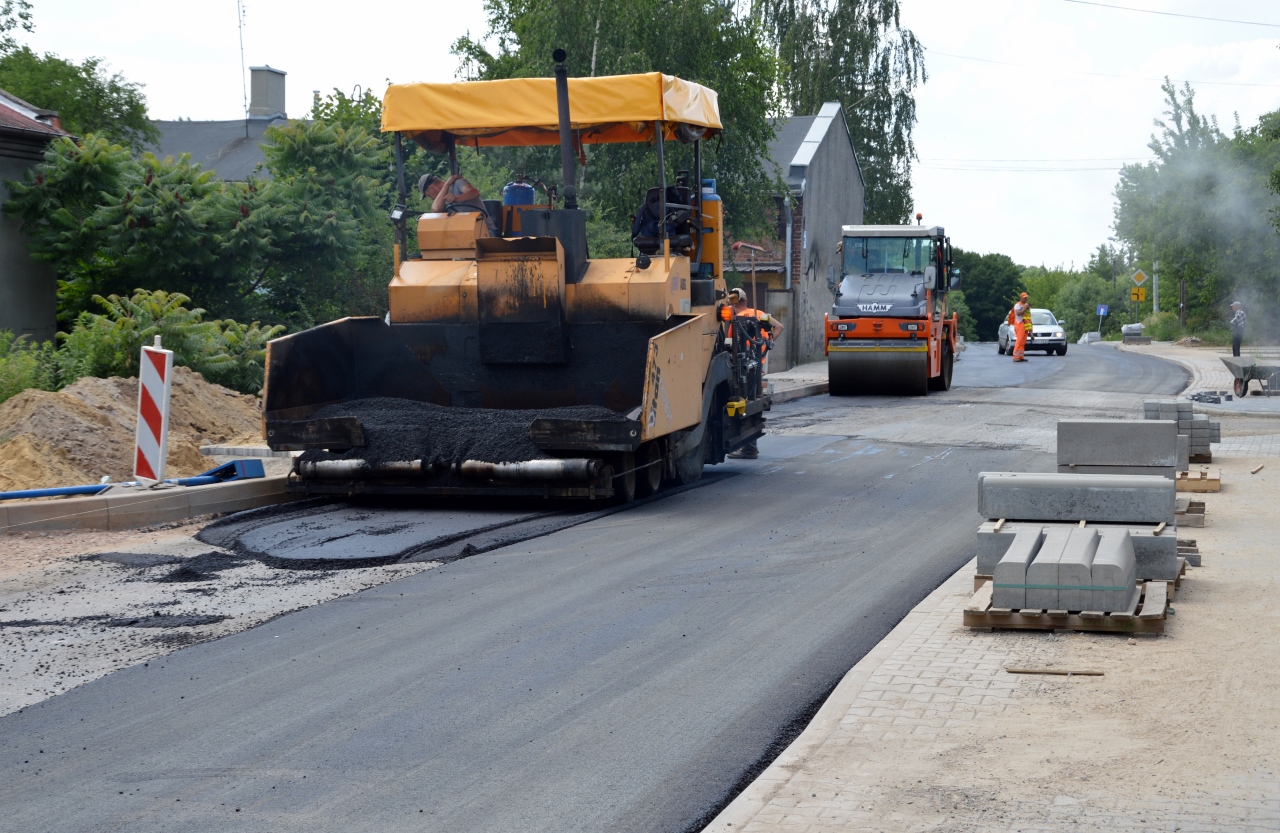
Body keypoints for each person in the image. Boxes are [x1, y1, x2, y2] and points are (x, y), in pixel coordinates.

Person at [725, 287, 782, 460]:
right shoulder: (759, 314)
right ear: (746, 301)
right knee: (754, 400)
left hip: (743, 366)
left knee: (744, 404)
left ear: (732, 304)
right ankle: (750, 446)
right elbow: (779, 327)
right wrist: (766, 344)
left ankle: (749, 447)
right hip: (757, 365)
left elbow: (731, 346)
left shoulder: (736, 320)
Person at [418, 173, 498, 237]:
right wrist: (446, 185)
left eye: (429, 196)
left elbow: (475, 193)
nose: (432, 199)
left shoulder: (458, 183)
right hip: (463, 233)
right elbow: (436, 209)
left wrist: (456, 198)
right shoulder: (442, 200)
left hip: (485, 230)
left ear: (431, 188)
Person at [1009, 292, 1031, 362]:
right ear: (1021, 298)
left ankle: (1020, 356)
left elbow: (1028, 317)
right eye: (1024, 298)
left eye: (1026, 298)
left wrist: (1030, 328)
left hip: (1025, 324)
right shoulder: (1017, 305)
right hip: (1019, 324)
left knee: (1023, 342)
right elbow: (1018, 313)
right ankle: (1016, 356)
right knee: (1019, 341)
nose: (1026, 299)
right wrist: (1025, 308)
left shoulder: (1026, 305)